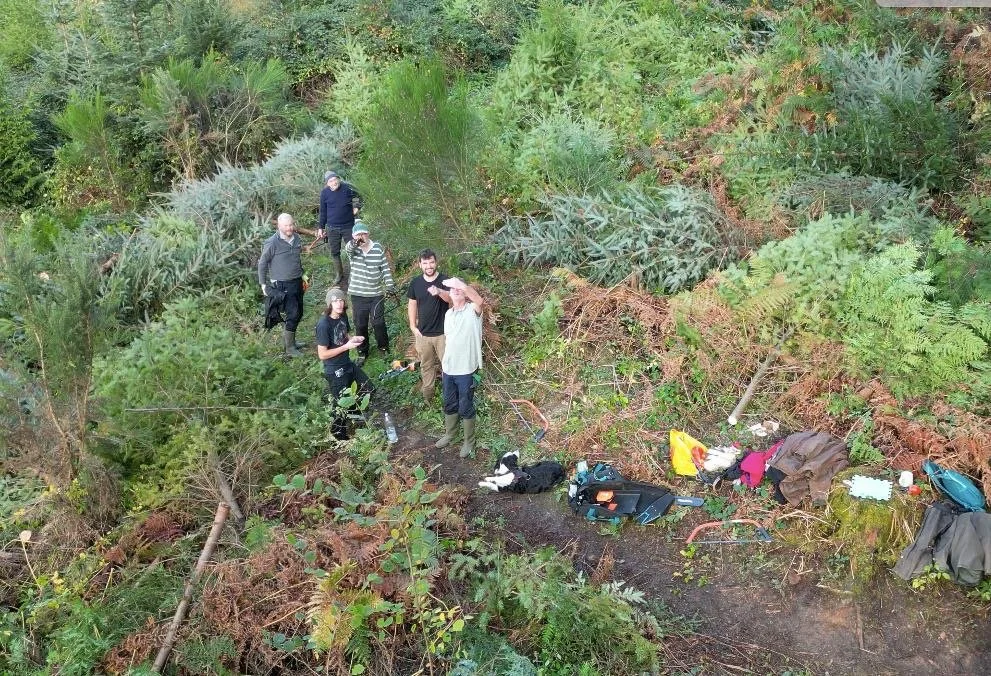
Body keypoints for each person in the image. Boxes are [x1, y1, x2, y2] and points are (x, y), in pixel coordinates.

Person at [434, 277, 484, 458]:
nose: (455, 291)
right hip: (448, 368)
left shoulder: (473, 310)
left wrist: (459, 283)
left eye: (459, 289)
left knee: (465, 406)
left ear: (464, 292)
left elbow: (479, 300)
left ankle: (469, 441)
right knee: (449, 403)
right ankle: (450, 434)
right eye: (453, 289)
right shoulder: (449, 314)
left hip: (466, 370)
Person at [316, 287, 370, 440]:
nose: (339, 304)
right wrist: (346, 347)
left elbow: (344, 334)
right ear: (329, 304)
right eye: (334, 301)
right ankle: (339, 437)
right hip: (334, 369)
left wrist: (352, 339)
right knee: (340, 404)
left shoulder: (343, 316)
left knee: (367, 387)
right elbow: (322, 354)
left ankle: (355, 416)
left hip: (347, 363)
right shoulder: (323, 324)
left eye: (340, 300)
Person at [344, 221, 395, 362]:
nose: (362, 236)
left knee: (378, 322)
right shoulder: (353, 249)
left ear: (368, 234)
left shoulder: (377, 248)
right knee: (360, 324)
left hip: (376, 294)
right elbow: (349, 248)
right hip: (358, 294)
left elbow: (385, 268)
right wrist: (356, 242)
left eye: (364, 233)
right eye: (358, 234)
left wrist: (390, 286)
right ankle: (362, 352)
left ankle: (384, 348)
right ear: (354, 236)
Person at [258, 213, 306, 357]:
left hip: (297, 280)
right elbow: (262, 263)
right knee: (293, 313)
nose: (289, 228)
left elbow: (296, 257)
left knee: (299, 312)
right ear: (279, 226)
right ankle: (289, 349)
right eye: (286, 225)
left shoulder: (296, 238)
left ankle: (291, 342)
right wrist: (263, 284)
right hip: (282, 283)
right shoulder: (272, 242)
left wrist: (303, 276)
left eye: (291, 224)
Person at [407, 249, 450, 402]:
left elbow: (451, 300)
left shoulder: (445, 280)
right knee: (426, 366)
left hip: (443, 333)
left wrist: (439, 291)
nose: (429, 266)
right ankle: (428, 398)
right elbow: (412, 304)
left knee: (448, 367)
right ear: (420, 265)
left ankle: (449, 397)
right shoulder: (416, 283)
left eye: (431, 262)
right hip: (423, 335)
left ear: (436, 262)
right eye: (425, 263)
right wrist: (413, 326)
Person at [315, 171, 361, 287]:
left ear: (338, 179)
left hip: (348, 226)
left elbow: (360, 196)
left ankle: (353, 275)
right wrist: (320, 227)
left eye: (335, 179)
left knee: (352, 250)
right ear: (327, 183)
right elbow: (323, 212)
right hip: (332, 228)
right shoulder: (324, 193)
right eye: (331, 181)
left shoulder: (347, 188)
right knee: (335, 252)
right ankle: (339, 274)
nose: (334, 182)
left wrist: (356, 207)